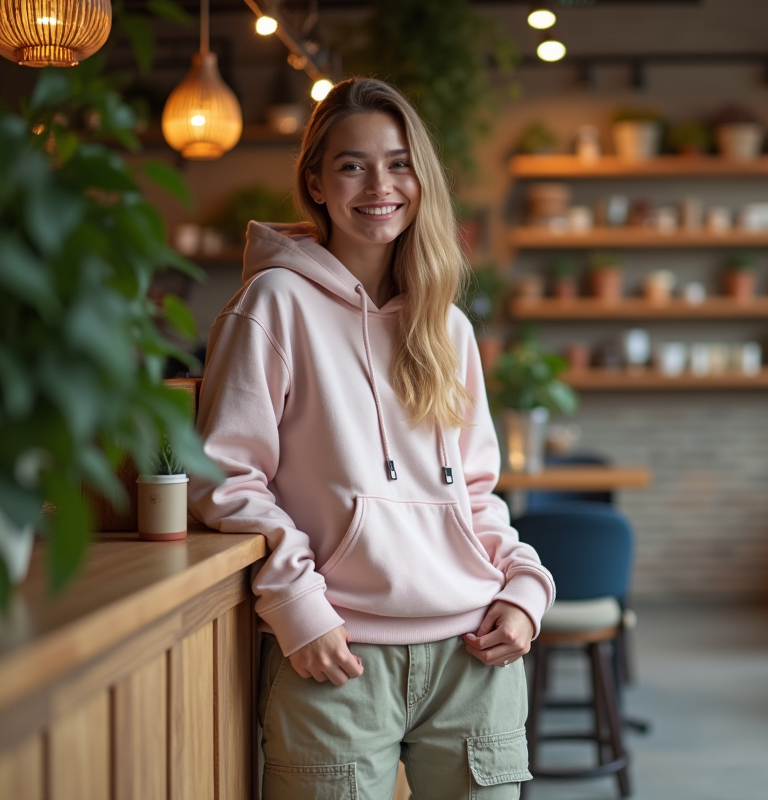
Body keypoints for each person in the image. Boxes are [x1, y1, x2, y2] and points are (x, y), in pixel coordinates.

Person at [189, 78, 554, 800]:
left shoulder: (447, 325)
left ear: (421, 178)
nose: (379, 185)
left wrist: (523, 589)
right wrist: (298, 607)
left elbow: (475, 493)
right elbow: (226, 480)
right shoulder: (272, 305)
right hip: (335, 655)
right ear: (316, 182)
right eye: (353, 165)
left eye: (398, 163)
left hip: (472, 656)